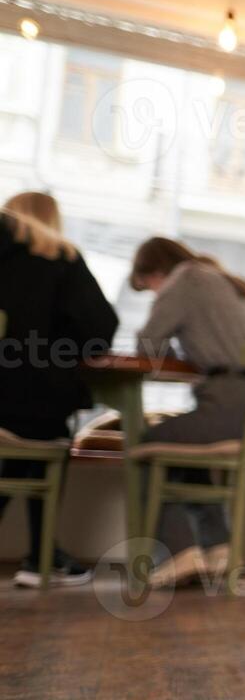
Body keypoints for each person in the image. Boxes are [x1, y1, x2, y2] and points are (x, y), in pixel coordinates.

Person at [129, 237, 245, 588]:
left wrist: (175, 343)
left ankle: (178, 552)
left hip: (236, 406)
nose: (156, 296)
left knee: (147, 443)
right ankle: (220, 550)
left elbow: (146, 345)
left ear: (157, 271)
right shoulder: (223, 280)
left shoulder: (185, 279)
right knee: (186, 453)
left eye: (150, 288)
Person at [0, 192, 119, 587]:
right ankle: (42, 558)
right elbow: (101, 328)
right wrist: (61, 351)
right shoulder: (62, 258)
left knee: (27, 452)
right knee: (48, 440)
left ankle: (45, 554)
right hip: (35, 401)